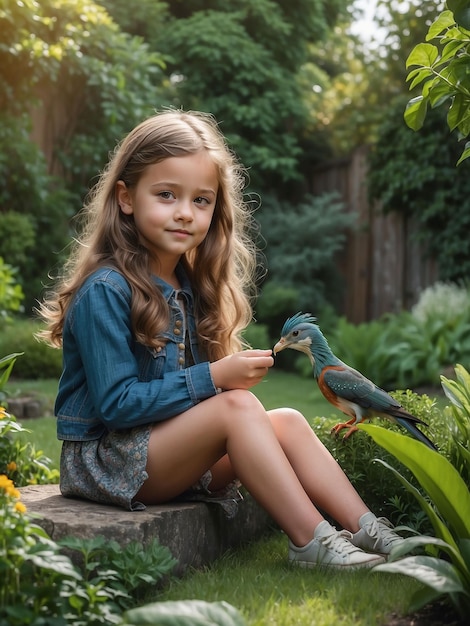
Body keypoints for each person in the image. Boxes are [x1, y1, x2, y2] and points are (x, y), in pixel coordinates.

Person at [37, 109, 404, 569]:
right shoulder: (106, 292)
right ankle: (312, 543)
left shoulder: (189, 285)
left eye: (202, 200)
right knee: (238, 408)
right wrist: (214, 378)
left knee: (287, 419)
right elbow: (117, 405)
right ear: (126, 198)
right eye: (167, 195)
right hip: (109, 464)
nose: (185, 213)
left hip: (161, 452)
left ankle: (371, 531)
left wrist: (221, 377)